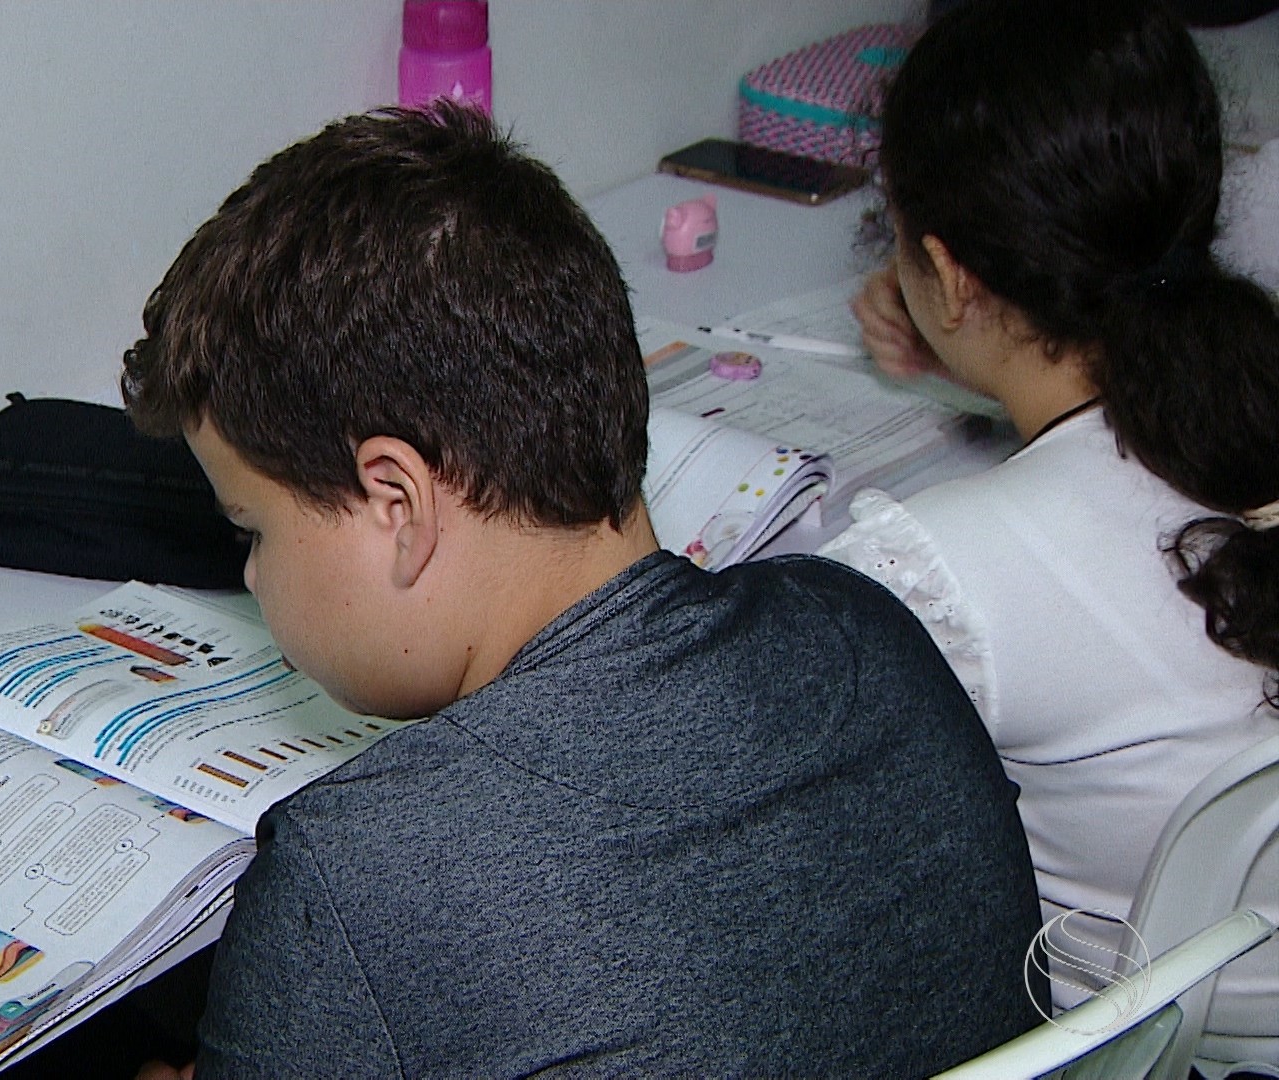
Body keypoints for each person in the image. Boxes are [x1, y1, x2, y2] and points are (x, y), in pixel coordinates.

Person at [120, 100, 1041, 1079]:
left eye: (250, 529)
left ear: (397, 503)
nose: (252, 574)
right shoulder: (867, 631)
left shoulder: (349, 874)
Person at [819, 0, 1279, 1029]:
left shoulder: (939, 568)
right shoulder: (1242, 394)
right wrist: (977, 348)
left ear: (949, 275)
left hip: (1132, 1042)